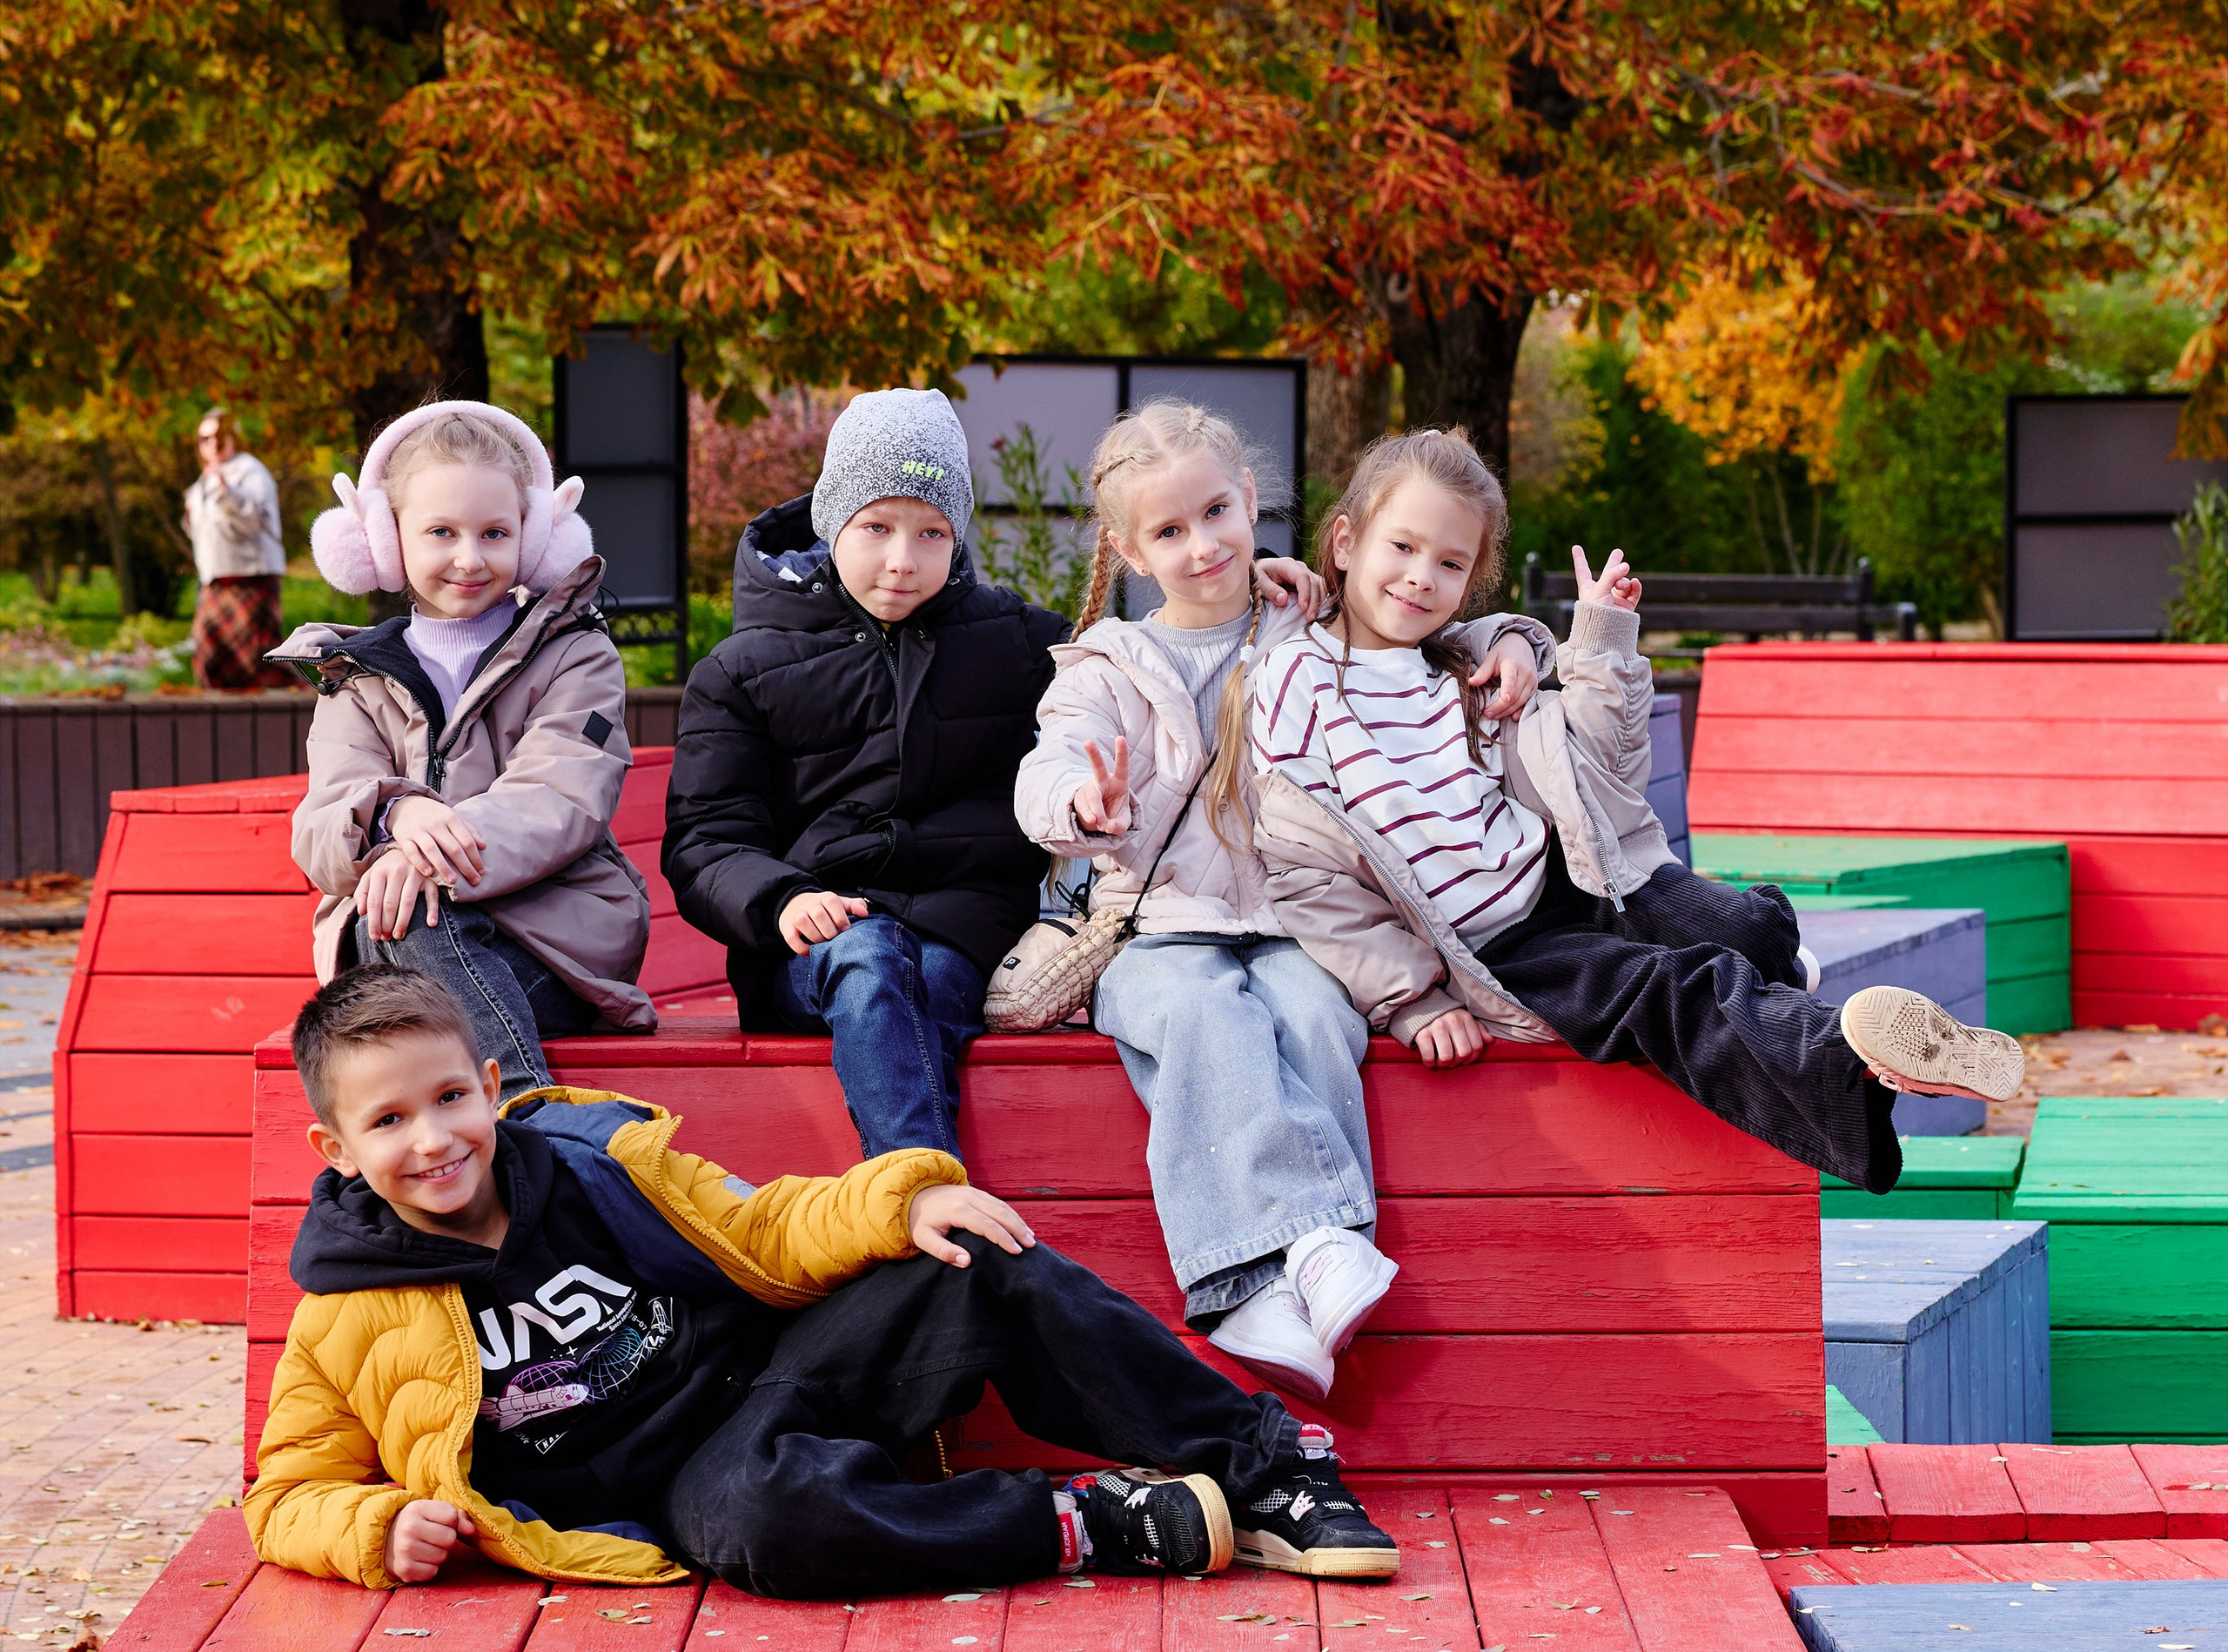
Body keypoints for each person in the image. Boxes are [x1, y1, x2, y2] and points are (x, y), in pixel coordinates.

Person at [243, 964, 1399, 1593]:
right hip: (686, 1485)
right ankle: (1092, 1528)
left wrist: (904, 1199)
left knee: (975, 1258)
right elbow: (285, 1491)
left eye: (449, 1098)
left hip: (772, 1372)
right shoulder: (343, 1311)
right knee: (771, 1525)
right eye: (388, 1121)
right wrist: (373, 1526)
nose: (434, 1138)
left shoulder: (594, 1162)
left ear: (489, 1084)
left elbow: (767, 1221)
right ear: (337, 1151)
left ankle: (1268, 1473)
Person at [1247, 426, 2025, 1193]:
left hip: (1566, 875)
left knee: (1740, 927)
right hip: (1497, 944)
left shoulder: (1468, 663)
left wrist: (1602, 634)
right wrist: (1411, 998)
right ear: (1345, 543)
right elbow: (1309, 874)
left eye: (1450, 563)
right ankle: (1857, 1060)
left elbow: (1603, 764)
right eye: (1403, 548)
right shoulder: (1296, 679)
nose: (1421, 577)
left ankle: (1796, 993)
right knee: (1677, 990)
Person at [1015, 395, 1550, 1408]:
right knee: (1204, 1018)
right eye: (1168, 532)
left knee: (1313, 1015)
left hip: (1295, 924)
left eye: (1216, 513)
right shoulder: (1107, 665)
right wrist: (1081, 802)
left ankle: (1279, 1283)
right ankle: (1292, 1262)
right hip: (1158, 934)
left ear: (1250, 502)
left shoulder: (1301, 619)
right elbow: (1048, 765)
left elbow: (1423, 617)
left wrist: (1518, 637)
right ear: (1131, 553)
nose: (1202, 545)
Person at [662, 386, 1324, 1167]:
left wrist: (1253, 585)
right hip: (811, 947)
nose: (903, 558)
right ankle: (924, 1198)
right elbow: (706, 838)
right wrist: (780, 898)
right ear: (832, 519)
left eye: (932, 532)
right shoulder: (745, 669)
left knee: (928, 981)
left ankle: (919, 1207)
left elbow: (1147, 650)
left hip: (959, 934)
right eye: (876, 527)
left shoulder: (1014, 645)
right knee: (871, 962)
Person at [272, 401, 651, 1098]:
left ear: (535, 540)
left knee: (409, 950)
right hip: (393, 941)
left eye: (495, 532)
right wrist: (397, 819)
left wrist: (424, 859)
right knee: (399, 939)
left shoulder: (577, 656)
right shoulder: (351, 677)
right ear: (386, 542)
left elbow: (561, 795)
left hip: (549, 945)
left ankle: (528, 1119)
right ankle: (540, 1135)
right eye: (440, 532)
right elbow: (323, 824)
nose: (470, 558)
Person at [183, 408, 285, 689]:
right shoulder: (205, 479)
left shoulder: (250, 472)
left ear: (233, 437)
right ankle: (217, 729)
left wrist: (229, 492)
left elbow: (258, 522)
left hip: (251, 581)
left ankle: (293, 720)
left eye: (219, 436)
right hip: (215, 584)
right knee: (209, 660)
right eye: (204, 439)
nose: (212, 445)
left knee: (257, 664)